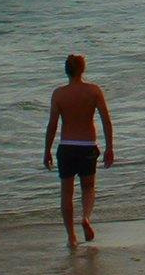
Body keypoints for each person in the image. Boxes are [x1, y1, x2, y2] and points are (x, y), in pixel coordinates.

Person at [45, 53, 115, 249]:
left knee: (66, 193)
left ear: (66, 71)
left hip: (66, 146)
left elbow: (52, 125)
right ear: (82, 69)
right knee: (88, 187)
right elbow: (106, 121)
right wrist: (109, 147)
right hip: (87, 146)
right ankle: (85, 217)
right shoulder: (93, 91)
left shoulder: (58, 94)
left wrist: (47, 150)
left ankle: (71, 237)